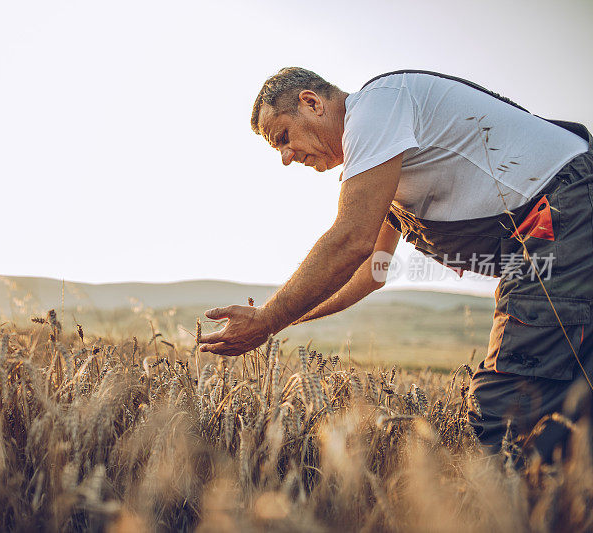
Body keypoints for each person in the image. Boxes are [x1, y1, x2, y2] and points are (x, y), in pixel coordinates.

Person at [198, 67, 593, 456]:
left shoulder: (375, 108)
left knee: (506, 405)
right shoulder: (384, 160)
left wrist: (268, 322)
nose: (285, 157)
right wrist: (280, 318)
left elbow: (350, 240)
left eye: (283, 137)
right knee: (577, 395)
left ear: (311, 102)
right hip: (557, 233)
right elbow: (371, 272)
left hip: (562, 215)